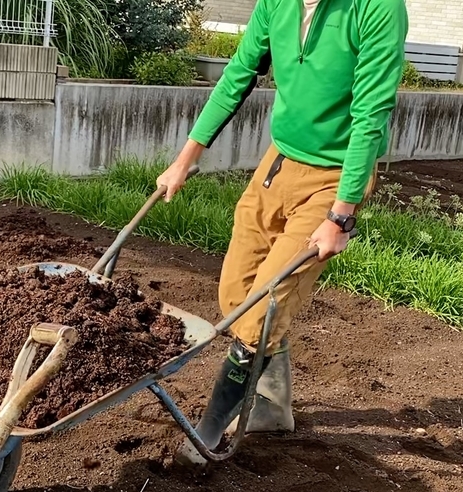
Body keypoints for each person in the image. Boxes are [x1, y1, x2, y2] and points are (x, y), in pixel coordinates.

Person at [156, 0, 408, 465]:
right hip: (278, 163)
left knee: (263, 309)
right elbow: (238, 74)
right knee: (235, 296)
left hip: (333, 178)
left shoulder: (376, 8)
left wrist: (341, 216)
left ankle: (208, 431)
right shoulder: (276, 4)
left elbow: (372, 110)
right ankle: (272, 406)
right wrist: (185, 159)